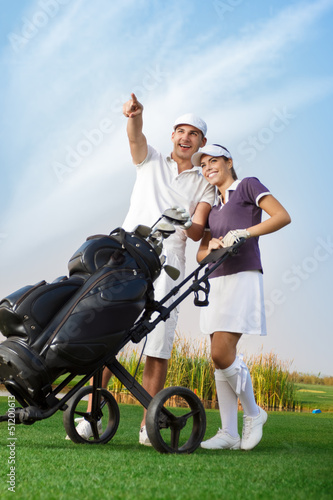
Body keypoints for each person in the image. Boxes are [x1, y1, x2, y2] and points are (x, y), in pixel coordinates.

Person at [73, 93, 215, 444]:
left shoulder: (205, 183)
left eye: (193, 134)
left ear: (202, 142)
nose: (185, 137)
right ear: (172, 136)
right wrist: (134, 116)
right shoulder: (150, 159)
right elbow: (135, 138)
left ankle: (146, 428)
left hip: (169, 265)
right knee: (110, 336)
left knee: (158, 343)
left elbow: (198, 229)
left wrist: (188, 220)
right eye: (180, 131)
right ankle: (91, 418)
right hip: (128, 256)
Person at [193, 144, 291, 451]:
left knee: (223, 353)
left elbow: (282, 216)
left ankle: (253, 413)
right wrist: (209, 248)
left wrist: (245, 232)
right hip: (216, 282)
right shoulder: (211, 206)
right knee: (217, 358)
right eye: (204, 164)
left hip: (243, 276)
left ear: (228, 162)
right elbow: (200, 255)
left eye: (214, 161)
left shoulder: (248, 185)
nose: (208, 167)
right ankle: (229, 433)